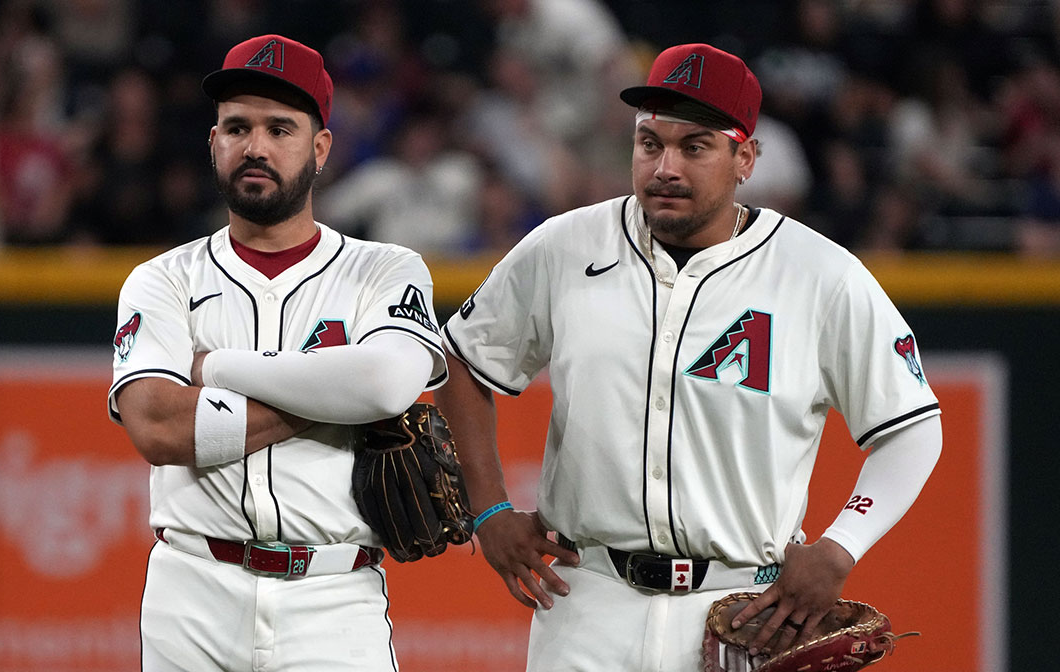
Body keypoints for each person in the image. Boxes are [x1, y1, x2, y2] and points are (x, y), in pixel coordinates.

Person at [433, 43, 943, 671]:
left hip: (744, 611)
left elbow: (912, 428)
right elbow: (460, 360)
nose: (665, 167)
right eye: (650, 143)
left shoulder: (820, 275)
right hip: (586, 601)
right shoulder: (564, 248)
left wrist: (842, 544)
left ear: (745, 157)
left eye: (695, 147)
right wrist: (488, 509)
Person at [107, 35, 447, 671]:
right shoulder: (162, 280)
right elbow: (155, 425)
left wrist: (215, 370)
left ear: (320, 149)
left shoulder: (384, 270)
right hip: (193, 591)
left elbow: (382, 388)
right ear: (214, 144)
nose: (255, 146)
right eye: (237, 127)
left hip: (334, 596)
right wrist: (331, 398)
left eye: (279, 128)